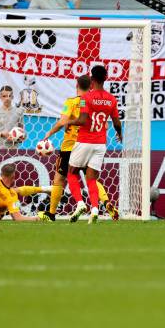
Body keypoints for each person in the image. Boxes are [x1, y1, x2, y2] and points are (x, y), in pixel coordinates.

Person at [41, 75, 116, 221]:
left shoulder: (71, 102)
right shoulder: (94, 102)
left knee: (59, 179)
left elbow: (63, 121)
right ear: (91, 87)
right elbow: (105, 125)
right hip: (90, 145)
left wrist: (49, 133)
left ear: (77, 85)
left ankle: (51, 214)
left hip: (70, 146)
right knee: (91, 179)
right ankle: (106, 202)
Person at [65, 66, 122, 224]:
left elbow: (82, 120)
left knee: (71, 173)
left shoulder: (86, 98)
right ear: (105, 78)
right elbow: (116, 122)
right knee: (91, 179)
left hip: (84, 141)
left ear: (92, 79)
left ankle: (80, 203)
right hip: (100, 144)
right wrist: (119, 134)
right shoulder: (111, 99)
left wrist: (70, 122)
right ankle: (95, 209)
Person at [0, 85, 26, 150]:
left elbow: (21, 131)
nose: (7, 98)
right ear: (0, 97)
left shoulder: (18, 112)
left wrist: (20, 138)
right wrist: (1, 134)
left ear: (12, 97)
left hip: (14, 148)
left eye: (9, 96)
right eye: (4, 96)